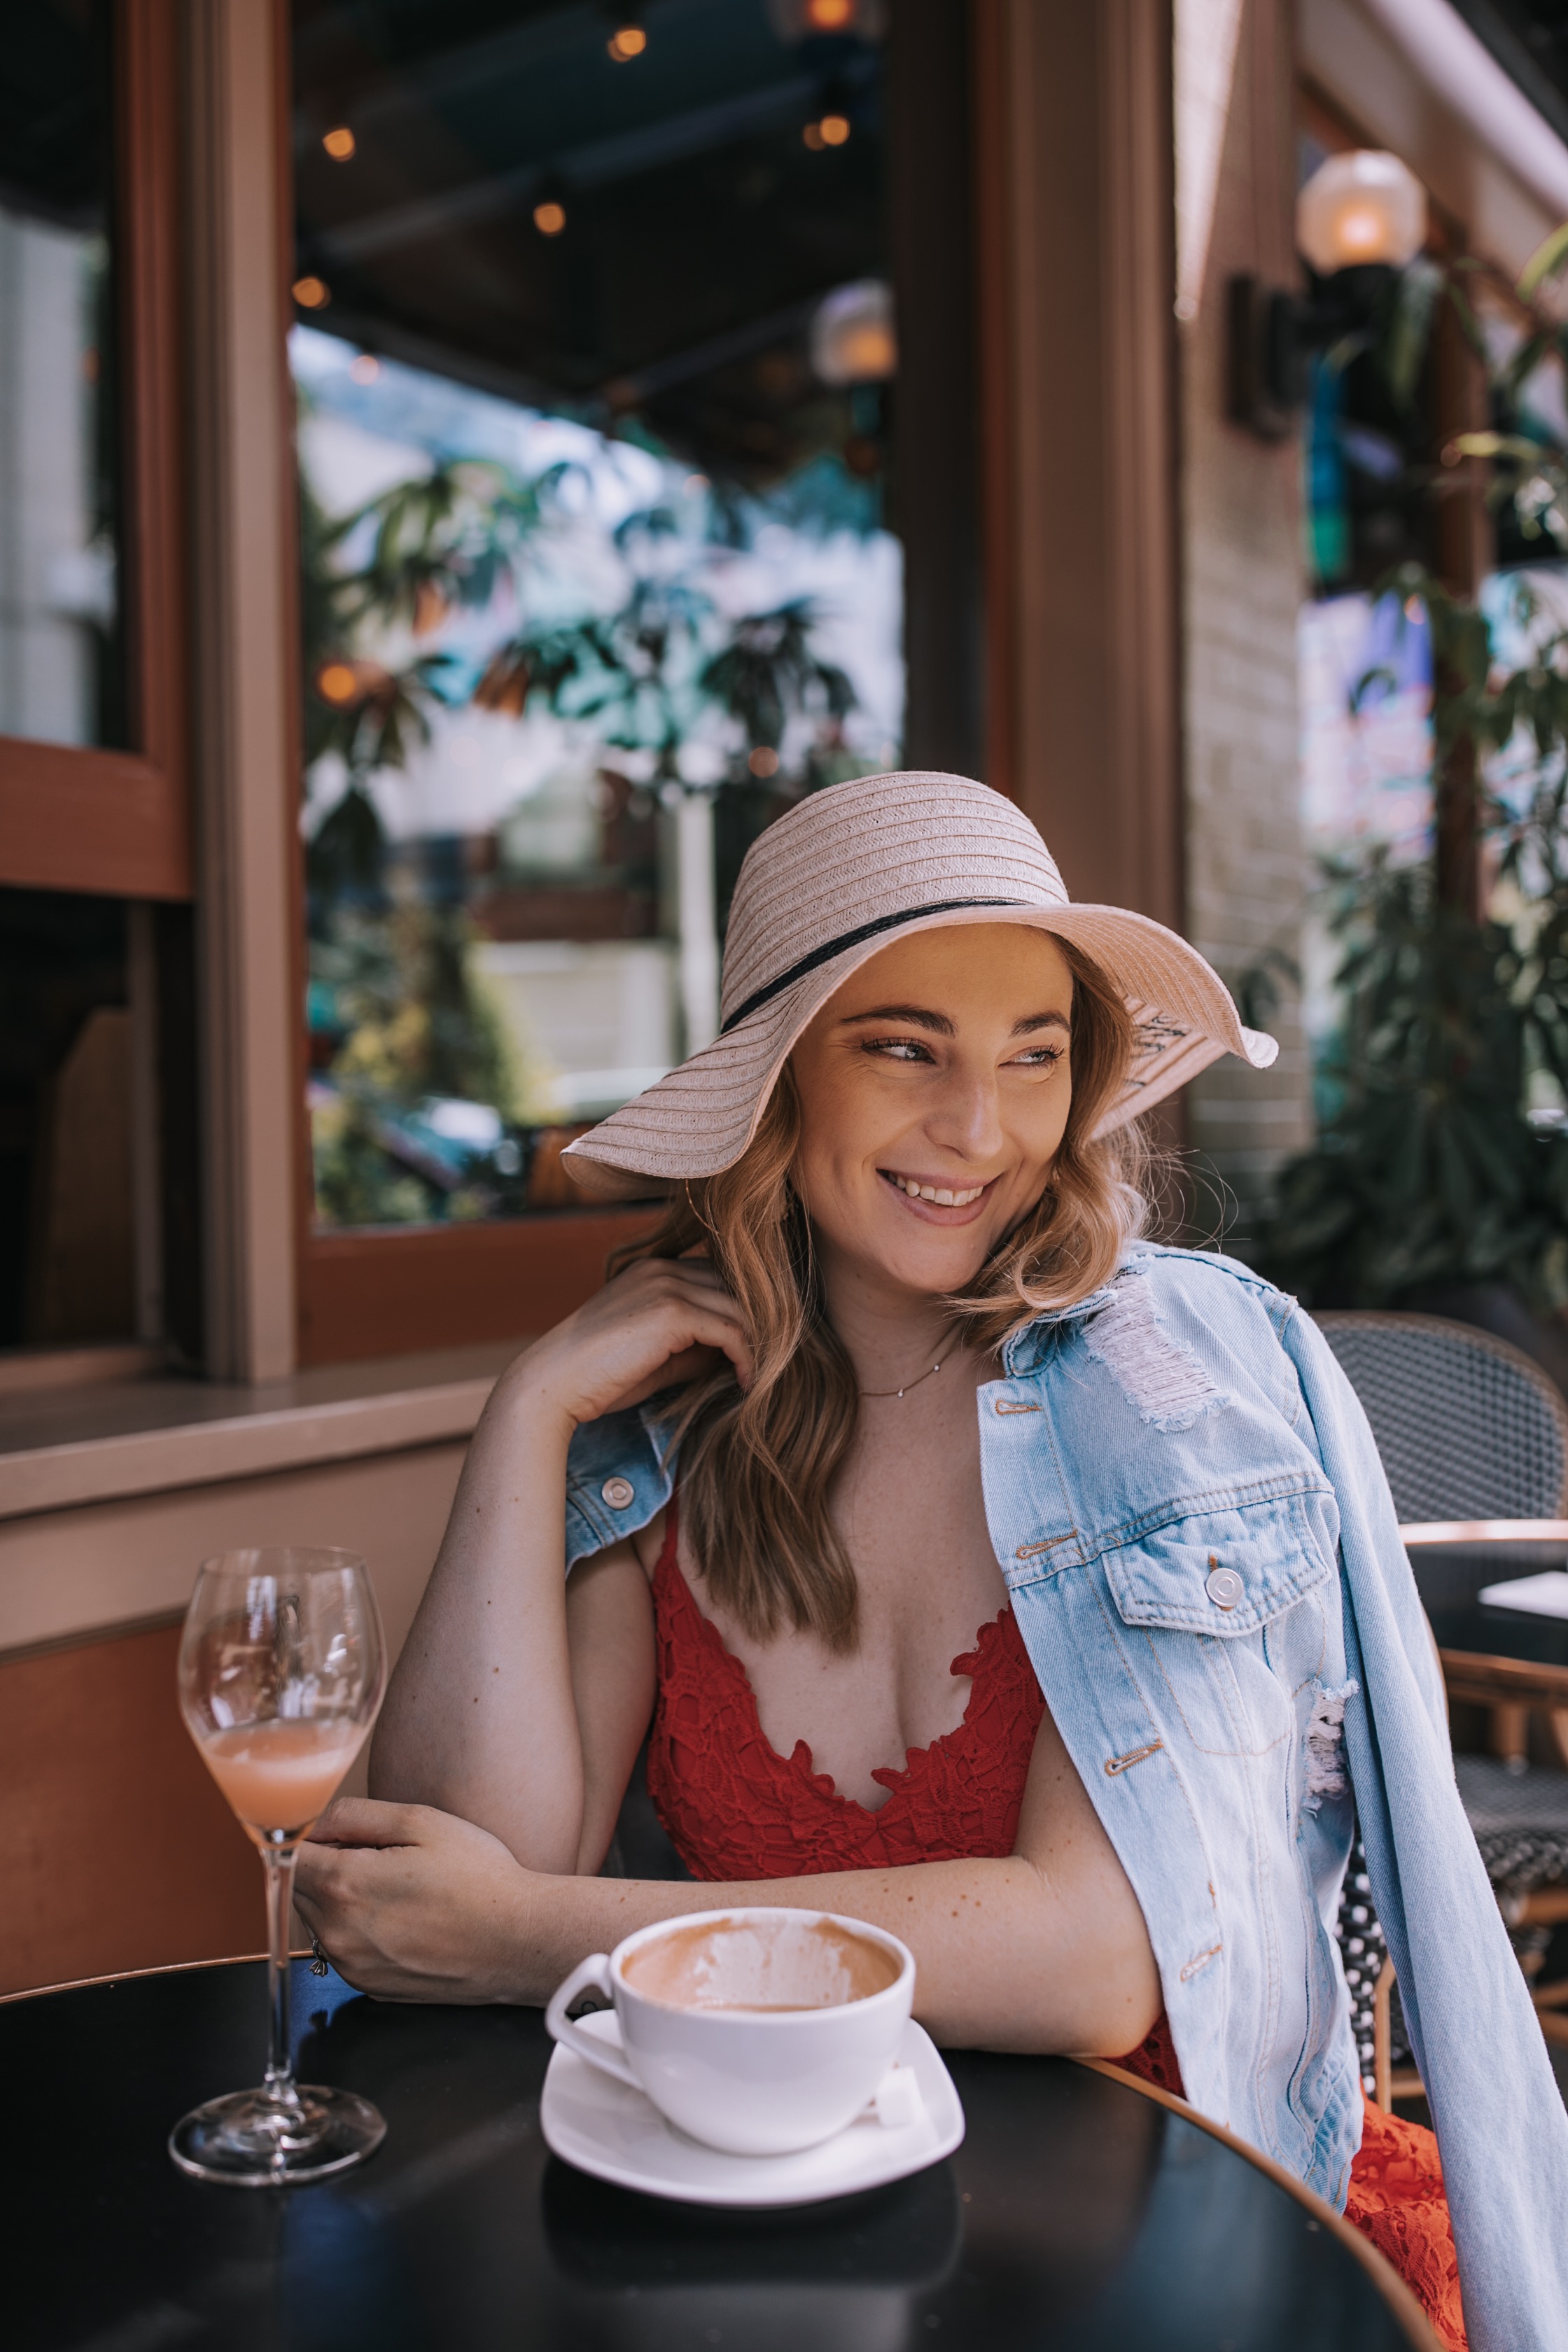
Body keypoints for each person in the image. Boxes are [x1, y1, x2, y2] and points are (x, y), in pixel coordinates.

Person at [297, 773, 1568, 2352]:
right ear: (779, 1088)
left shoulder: (1158, 1387)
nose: (978, 1130)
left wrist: (525, 1937)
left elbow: (1096, 1963)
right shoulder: (678, 1430)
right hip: (786, 2234)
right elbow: (448, 1873)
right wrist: (528, 1414)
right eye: (905, 1050)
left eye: (1032, 1058)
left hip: (1180, 2236)